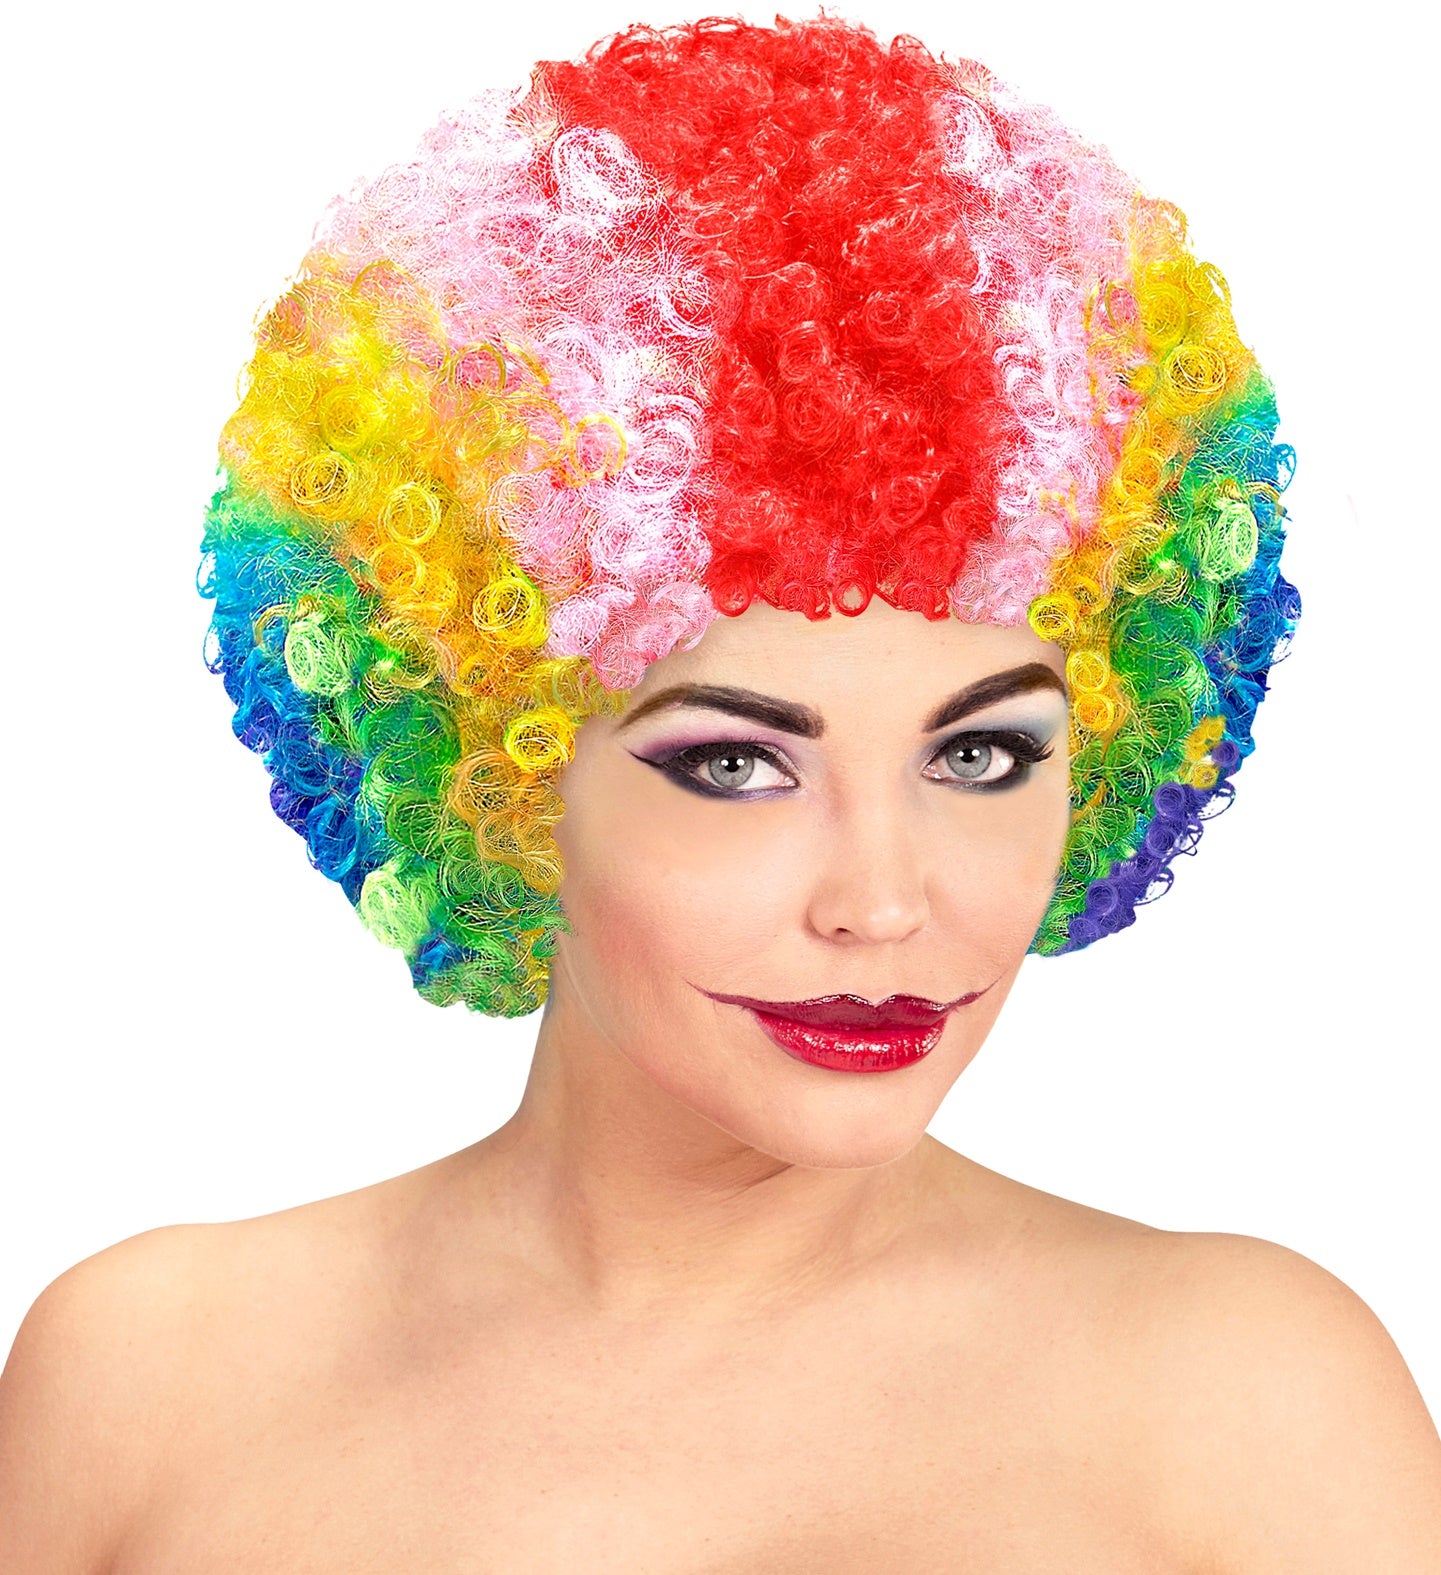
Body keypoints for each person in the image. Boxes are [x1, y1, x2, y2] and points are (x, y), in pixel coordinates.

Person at [2, 12, 1439, 1569]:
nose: (881, 902)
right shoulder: (148, 1378)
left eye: (978, 755)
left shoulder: (1247, 1405)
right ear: (482, 762)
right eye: (736, 764)